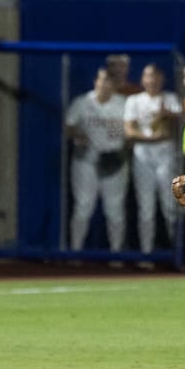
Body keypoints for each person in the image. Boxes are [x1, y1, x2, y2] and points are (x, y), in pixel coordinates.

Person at [64, 67, 128, 252]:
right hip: (87, 160)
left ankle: (116, 254)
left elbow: (131, 131)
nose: (104, 84)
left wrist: (123, 152)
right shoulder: (83, 102)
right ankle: (75, 252)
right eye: (101, 80)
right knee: (83, 207)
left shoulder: (123, 103)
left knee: (114, 211)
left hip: (113, 160)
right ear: (95, 82)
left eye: (109, 81)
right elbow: (68, 126)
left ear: (115, 85)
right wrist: (77, 134)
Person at [124, 63, 183, 255]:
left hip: (166, 155)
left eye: (155, 77)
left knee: (169, 205)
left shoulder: (170, 99)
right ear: (143, 80)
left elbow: (180, 121)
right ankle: (146, 254)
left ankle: (177, 253)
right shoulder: (134, 100)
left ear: (162, 80)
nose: (152, 81)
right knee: (146, 208)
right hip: (143, 155)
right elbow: (130, 131)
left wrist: (168, 115)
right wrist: (152, 137)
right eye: (148, 77)